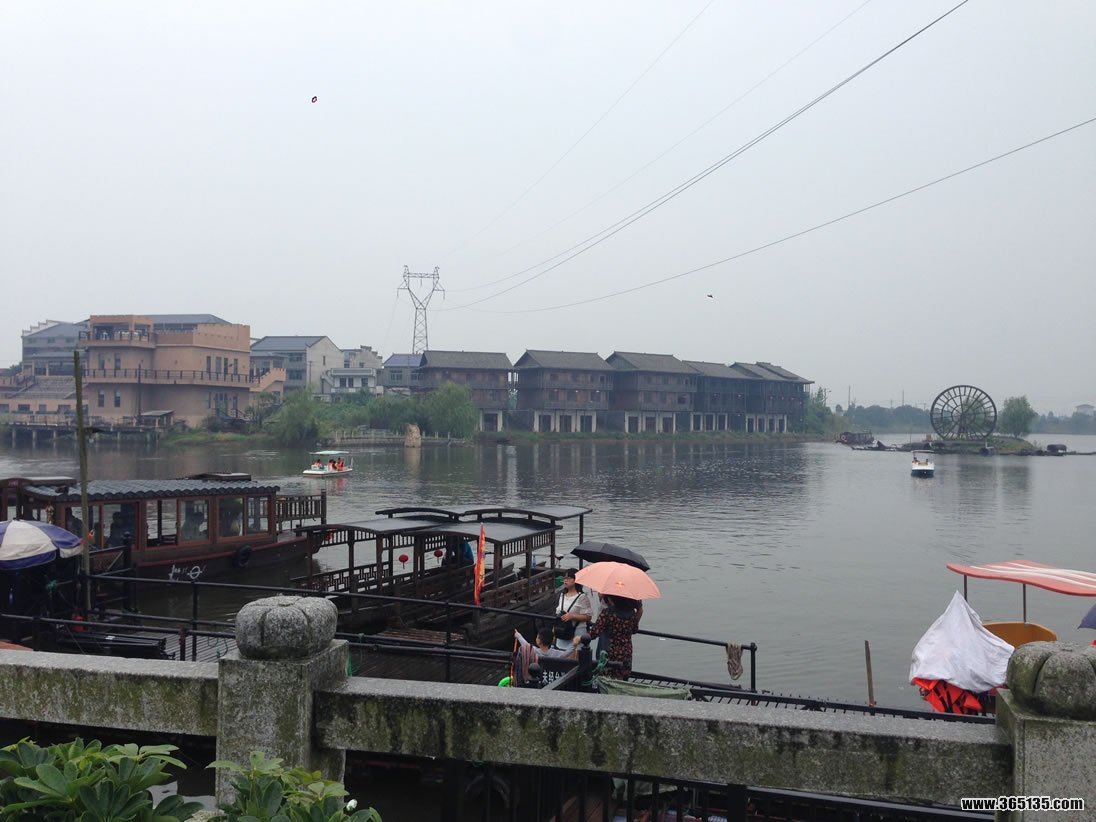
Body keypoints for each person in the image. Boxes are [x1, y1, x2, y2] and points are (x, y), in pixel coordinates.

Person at [576, 594, 642, 680]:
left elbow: (594, 632)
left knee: (606, 679)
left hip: (609, 651)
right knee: (622, 679)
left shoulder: (607, 613)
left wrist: (580, 638)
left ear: (612, 599)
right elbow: (634, 630)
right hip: (626, 652)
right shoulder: (632, 614)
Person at [553, 568, 592, 652]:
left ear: (575, 580)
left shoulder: (582, 597)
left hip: (576, 633)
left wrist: (572, 616)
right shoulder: (562, 595)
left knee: (575, 654)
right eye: (564, 578)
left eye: (569, 578)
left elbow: (588, 616)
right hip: (562, 632)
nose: (565, 580)